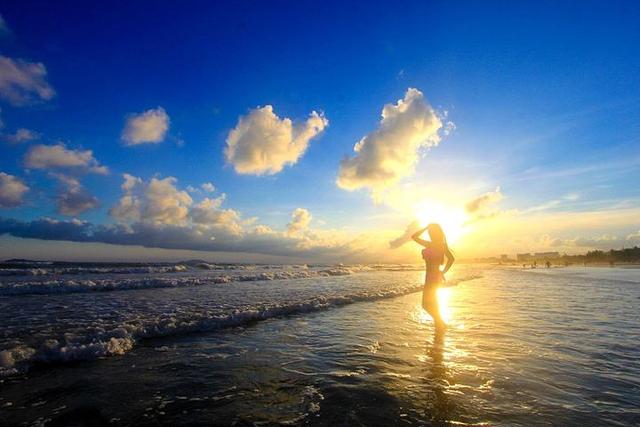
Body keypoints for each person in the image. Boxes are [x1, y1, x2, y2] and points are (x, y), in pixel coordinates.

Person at [411, 223, 455, 331]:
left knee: (426, 304)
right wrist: (426, 228)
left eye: (431, 232)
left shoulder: (440, 245)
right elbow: (414, 237)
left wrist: (442, 272)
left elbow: (451, 259)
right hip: (430, 277)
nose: (430, 234)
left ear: (436, 233)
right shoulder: (429, 244)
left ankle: (440, 323)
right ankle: (439, 324)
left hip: (434, 277)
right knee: (431, 303)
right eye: (429, 232)